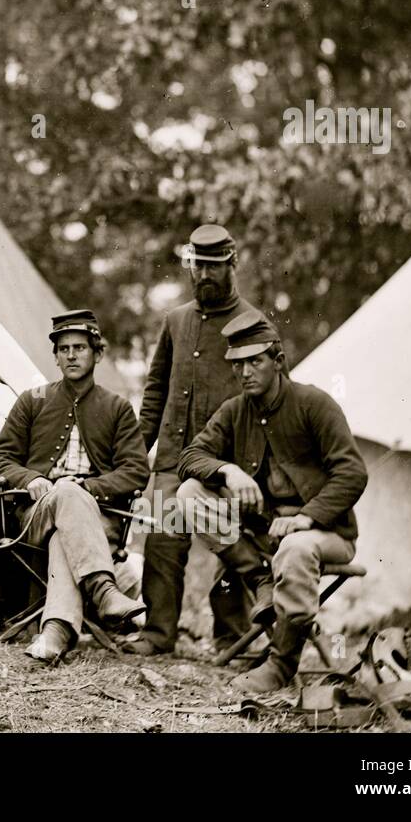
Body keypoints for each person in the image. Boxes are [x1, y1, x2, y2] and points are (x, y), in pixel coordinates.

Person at [177, 311, 367, 693]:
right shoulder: (235, 411)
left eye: (255, 361)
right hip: (264, 537)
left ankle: (281, 665)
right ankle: (260, 579)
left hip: (324, 535)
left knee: (296, 549)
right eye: (238, 363)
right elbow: (189, 458)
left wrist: (306, 518)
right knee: (189, 495)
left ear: (278, 362)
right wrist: (228, 471)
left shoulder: (314, 404)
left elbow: (353, 474)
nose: (245, 372)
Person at [0, 310, 150, 664]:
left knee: (68, 522)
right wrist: (31, 479)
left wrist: (88, 488)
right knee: (66, 495)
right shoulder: (33, 400)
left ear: (97, 354)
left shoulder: (117, 407)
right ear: (56, 356)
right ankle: (104, 591)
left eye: (79, 347)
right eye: (63, 349)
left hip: (99, 520)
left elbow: (137, 471)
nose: (71, 355)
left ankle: (56, 631)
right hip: (35, 516)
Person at [128, 224, 258, 657]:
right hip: (171, 459)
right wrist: (135, 453)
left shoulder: (252, 324)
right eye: (197, 266)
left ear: (232, 265)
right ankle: (158, 634)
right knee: (163, 544)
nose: (203, 275)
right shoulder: (176, 320)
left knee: (231, 550)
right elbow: (155, 392)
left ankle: (233, 639)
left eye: (213, 267)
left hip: (225, 464)